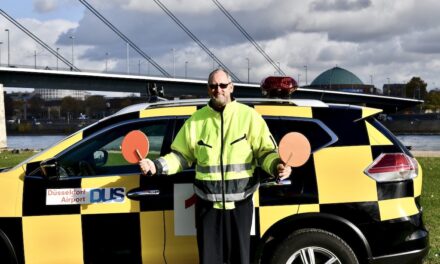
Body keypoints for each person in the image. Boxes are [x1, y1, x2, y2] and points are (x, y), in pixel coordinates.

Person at [139, 68, 291, 264]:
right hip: (207, 206)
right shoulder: (196, 120)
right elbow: (180, 156)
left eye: (222, 85)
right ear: (208, 89)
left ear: (231, 87)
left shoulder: (249, 117)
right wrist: (155, 166)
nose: (218, 89)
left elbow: (265, 153)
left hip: (241, 204)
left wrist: (277, 166)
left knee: (240, 260)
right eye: (213, 86)